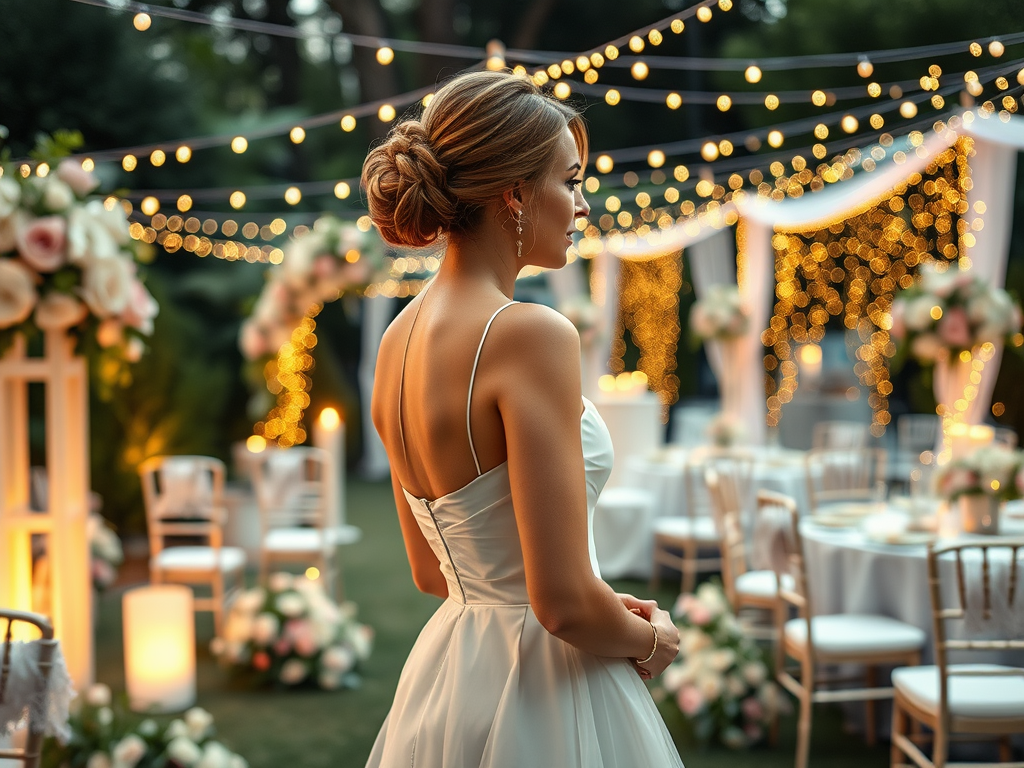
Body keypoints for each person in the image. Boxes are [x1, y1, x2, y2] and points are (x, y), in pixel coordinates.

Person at [363, 69, 683, 768]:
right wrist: (653, 639)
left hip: (451, 674)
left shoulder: (396, 341)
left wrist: (591, 597)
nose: (582, 205)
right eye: (570, 182)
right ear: (513, 194)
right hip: (546, 687)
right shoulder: (529, 334)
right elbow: (562, 603)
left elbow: (430, 570)